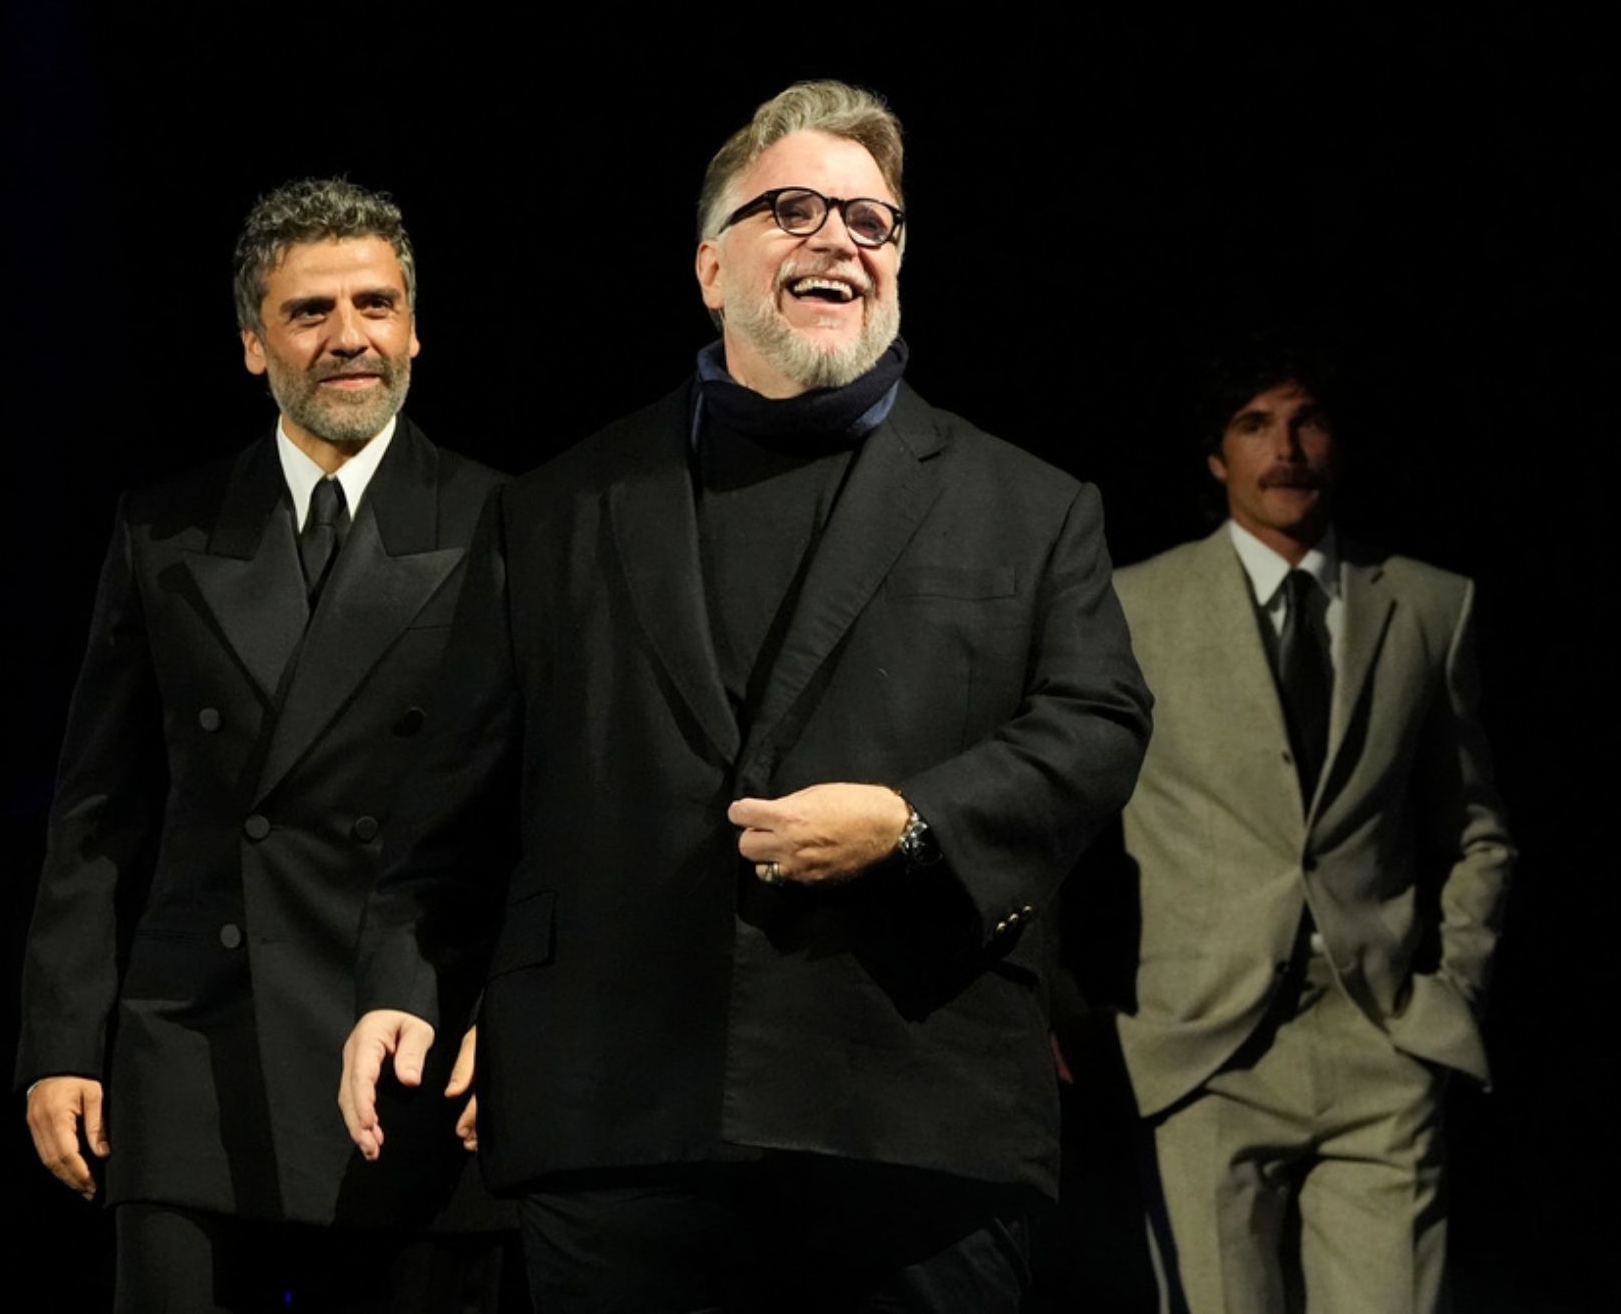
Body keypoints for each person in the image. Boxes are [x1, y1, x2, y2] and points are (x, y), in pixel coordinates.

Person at [339, 80, 1152, 1312]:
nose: (839, 238)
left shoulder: (1029, 507)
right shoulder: (556, 510)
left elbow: (1100, 722)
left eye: (872, 221)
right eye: (795, 209)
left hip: (910, 1112)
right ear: (712, 266)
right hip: (618, 1127)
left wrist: (914, 821)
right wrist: (404, 986)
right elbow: (452, 807)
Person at [17, 177, 506, 1310]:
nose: (350, 339)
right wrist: (59, 1041)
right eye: (310, 313)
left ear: (416, 328)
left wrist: (506, 1017)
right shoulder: (166, 529)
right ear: (253, 342)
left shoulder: (505, 523)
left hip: (413, 1045)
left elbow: (541, 811)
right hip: (195, 1050)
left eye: (376, 306)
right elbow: (97, 811)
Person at [1110, 345, 1516, 1311]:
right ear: (1216, 456)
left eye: (1308, 421)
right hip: (1203, 1046)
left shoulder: (1427, 602)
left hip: (1380, 1038)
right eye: (1255, 424)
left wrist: (1450, 988)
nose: (1286, 450)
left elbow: (1475, 828)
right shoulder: (1133, 606)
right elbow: (1066, 816)